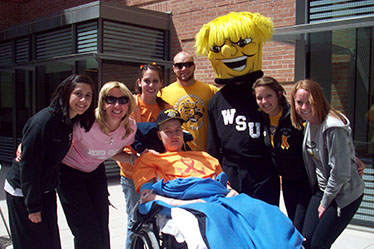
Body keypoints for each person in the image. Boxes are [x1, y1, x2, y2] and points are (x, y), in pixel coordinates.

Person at [132, 109, 303, 249]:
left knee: (263, 210)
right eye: (168, 132)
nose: (174, 135)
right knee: (217, 219)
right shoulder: (149, 159)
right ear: (159, 135)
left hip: (219, 197)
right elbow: (148, 197)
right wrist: (183, 202)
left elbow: (224, 186)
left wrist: (232, 193)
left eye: (177, 130)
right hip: (186, 200)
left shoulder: (205, 157)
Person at [195, 12, 279, 205]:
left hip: (263, 171)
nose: (228, 52)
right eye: (218, 47)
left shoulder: (264, 95)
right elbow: (213, 145)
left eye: (241, 43)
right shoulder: (216, 100)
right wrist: (218, 175)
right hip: (231, 172)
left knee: (263, 222)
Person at [5, 75, 96, 249]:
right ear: (67, 93)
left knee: (50, 243)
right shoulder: (45, 121)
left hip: (45, 190)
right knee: (30, 244)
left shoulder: (72, 119)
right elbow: (29, 165)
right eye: (78, 93)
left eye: (88, 95)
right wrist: (33, 207)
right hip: (23, 193)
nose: (83, 100)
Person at [57, 81, 137, 249]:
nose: (117, 105)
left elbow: (109, 151)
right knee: (85, 229)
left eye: (123, 100)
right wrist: (27, 145)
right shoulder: (85, 123)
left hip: (95, 173)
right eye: (111, 99)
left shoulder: (129, 128)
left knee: (101, 226)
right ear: (102, 102)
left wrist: (132, 159)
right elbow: (53, 133)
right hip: (69, 174)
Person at [290, 79, 365, 249]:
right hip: (322, 189)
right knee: (306, 240)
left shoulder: (332, 127)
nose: (303, 107)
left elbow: (341, 173)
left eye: (308, 102)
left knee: (319, 244)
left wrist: (325, 203)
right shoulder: (310, 122)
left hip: (344, 194)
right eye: (299, 102)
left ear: (318, 99)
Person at [116, 63, 171, 249]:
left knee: (157, 221)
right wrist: (133, 158)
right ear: (139, 82)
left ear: (161, 83)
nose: (151, 85)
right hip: (132, 176)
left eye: (155, 81)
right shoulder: (127, 105)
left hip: (157, 176)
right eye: (147, 80)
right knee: (135, 222)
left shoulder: (166, 108)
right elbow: (112, 144)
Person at [253, 76, 311, 231]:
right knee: (293, 224)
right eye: (259, 98)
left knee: (302, 229)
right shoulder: (261, 118)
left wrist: (352, 156)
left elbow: (323, 128)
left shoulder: (295, 115)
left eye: (268, 96)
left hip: (306, 182)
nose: (264, 102)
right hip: (287, 181)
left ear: (279, 94)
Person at [161, 51, 219, 151]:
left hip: (204, 155)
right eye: (179, 66)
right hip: (176, 154)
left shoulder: (210, 90)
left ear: (194, 66)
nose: (184, 69)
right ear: (174, 68)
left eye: (188, 65)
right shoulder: (163, 94)